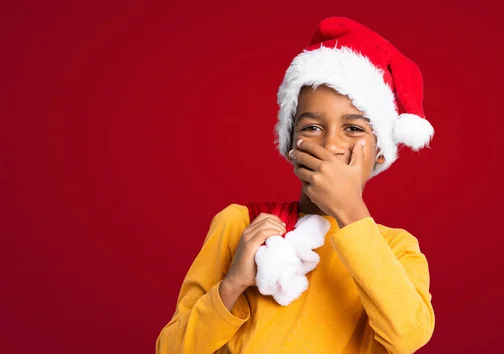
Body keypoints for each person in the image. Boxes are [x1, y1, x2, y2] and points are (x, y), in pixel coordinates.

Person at [156, 17, 435, 354]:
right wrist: (232, 285)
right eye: (313, 127)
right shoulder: (240, 225)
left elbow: (407, 336)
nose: (330, 144)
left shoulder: (397, 249)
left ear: (380, 153)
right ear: (290, 143)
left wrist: (350, 212)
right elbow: (171, 350)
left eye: (355, 129)